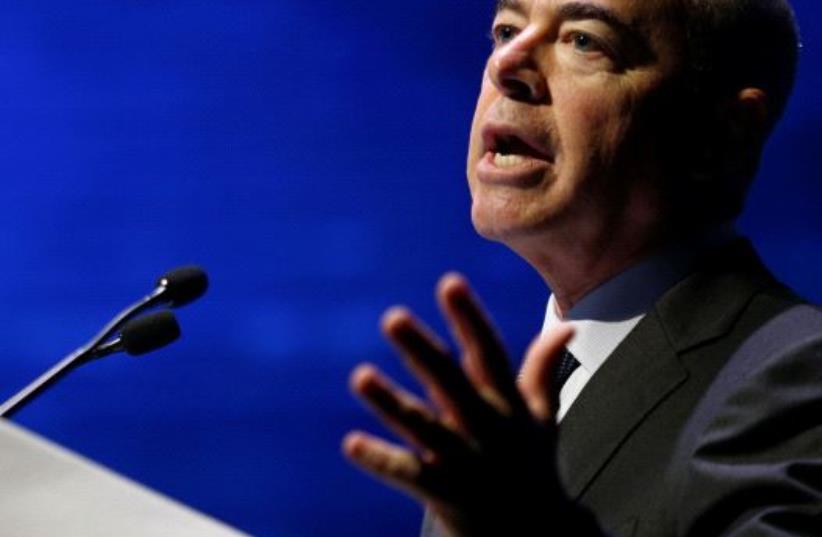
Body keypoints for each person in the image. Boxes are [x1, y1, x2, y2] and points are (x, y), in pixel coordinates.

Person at [342, 0, 821, 535]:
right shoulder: (507, 419)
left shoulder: (799, 377)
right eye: (506, 30)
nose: (507, 63)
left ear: (719, 134)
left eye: (584, 41)